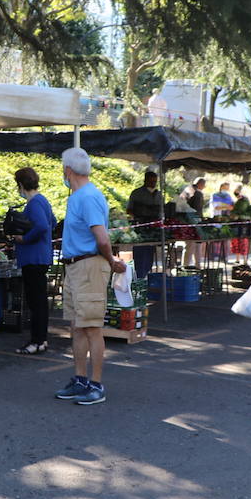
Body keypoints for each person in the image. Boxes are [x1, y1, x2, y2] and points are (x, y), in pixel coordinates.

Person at [53, 148, 127, 407]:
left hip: (89, 266)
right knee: (78, 326)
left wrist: (110, 261)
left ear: (67, 170)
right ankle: (80, 379)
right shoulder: (79, 196)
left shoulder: (87, 197)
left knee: (92, 327)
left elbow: (102, 238)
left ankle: (96, 384)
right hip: (77, 266)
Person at [10, 167, 54, 355]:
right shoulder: (42, 200)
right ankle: (41, 340)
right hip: (42, 256)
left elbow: (42, 226)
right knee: (40, 301)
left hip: (32, 257)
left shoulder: (33, 203)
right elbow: (52, 222)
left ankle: (36, 341)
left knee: (35, 302)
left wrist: (24, 238)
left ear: (20, 184)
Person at [125, 170, 164, 278]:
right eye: (151, 181)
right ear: (145, 180)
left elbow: (162, 210)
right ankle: (139, 276)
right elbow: (129, 209)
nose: (153, 183)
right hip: (140, 227)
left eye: (155, 181)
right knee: (140, 254)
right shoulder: (136, 193)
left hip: (154, 228)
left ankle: (147, 275)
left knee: (150, 254)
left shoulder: (159, 194)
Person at [180, 177, 207, 268]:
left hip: (185, 221)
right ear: (201, 184)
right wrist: (201, 220)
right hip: (194, 222)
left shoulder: (187, 190)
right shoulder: (197, 193)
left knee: (189, 246)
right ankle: (196, 266)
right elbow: (197, 209)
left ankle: (185, 265)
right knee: (194, 245)